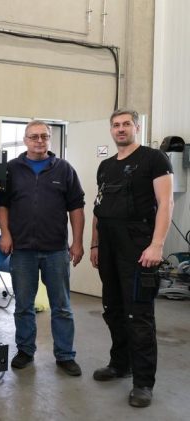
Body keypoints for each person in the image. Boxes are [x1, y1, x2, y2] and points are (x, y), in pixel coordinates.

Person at [90, 109, 173, 408]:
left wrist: (157, 245)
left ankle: (143, 383)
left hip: (138, 248)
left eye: (126, 124)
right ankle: (120, 364)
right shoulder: (106, 166)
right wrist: (95, 244)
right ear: (111, 130)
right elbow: (99, 208)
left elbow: (166, 202)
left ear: (137, 127)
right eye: (116, 125)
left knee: (139, 316)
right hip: (109, 248)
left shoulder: (154, 159)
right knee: (113, 309)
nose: (121, 129)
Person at [0, 120, 85, 376]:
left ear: (49, 140)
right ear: (25, 140)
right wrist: (5, 233)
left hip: (56, 249)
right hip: (22, 249)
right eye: (34, 136)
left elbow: (76, 208)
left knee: (62, 306)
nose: (39, 141)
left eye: (44, 136)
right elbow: (1, 204)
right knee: (24, 305)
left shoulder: (64, 169)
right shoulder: (11, 169)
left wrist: (77, 241)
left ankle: (65, 355)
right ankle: (25, 351)